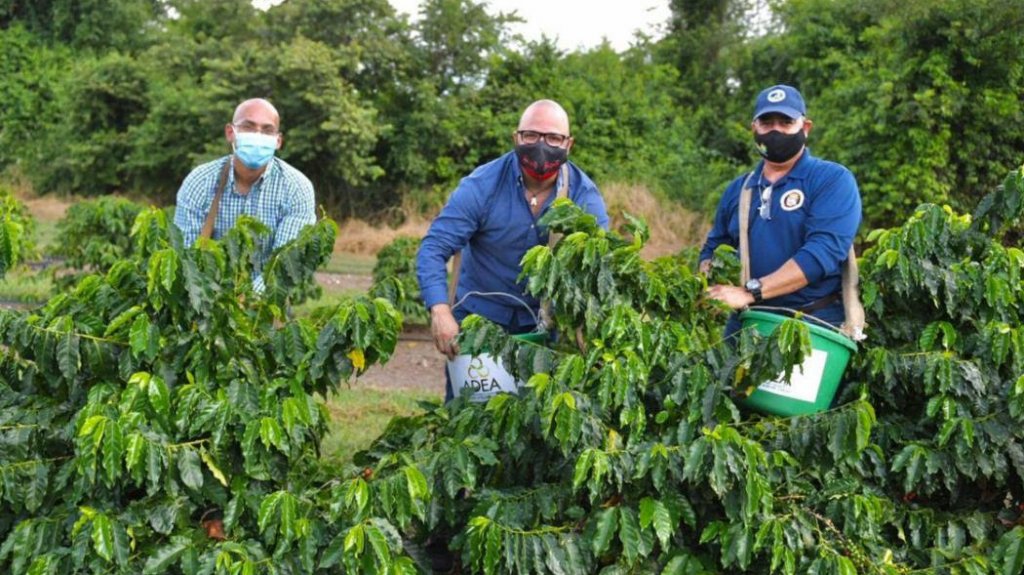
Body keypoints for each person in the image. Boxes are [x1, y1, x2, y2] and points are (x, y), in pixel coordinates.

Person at [416, 99, 609, 400]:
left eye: (553, 138)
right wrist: (440, 311)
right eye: (531, 135)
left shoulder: (583, 198)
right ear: (516, 137)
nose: (541, 145)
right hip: (478, 322)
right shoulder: (482, 185)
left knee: (534, 418)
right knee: (470, 416)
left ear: (568, 144)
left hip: (543, 330)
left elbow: (598, 267)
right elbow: (434, 247)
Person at [700, 84, 861, 332]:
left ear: (805, 128)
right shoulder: (739, 190)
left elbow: (823, 252)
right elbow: (714, 246)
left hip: (813, 322)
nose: (775, 130)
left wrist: (751, 292)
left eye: (786, 122)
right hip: (748, 321)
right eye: (767, 123)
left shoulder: (831, 180)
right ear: (754, 128)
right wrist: (709, 283)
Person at [173, 98, 316, 289]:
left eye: (267, 130)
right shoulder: (200, 181)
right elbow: (187, 255)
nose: (257, 136)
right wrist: (217, 299)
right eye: (248, 127)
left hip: (268, 300)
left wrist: (247, 300)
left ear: (278, 141)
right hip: (207, 296)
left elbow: (281, 265)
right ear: (230, 132)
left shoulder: (296, 188)